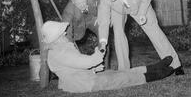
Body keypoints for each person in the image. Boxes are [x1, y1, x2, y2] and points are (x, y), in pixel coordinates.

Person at [42, 21, 174, 93]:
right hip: (85, 84)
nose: (65, 32)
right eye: (62, 31)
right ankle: (158, 74)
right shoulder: (60, 52)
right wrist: (98, 54)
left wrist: (93, 69)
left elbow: (73, 68)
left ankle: (154, 67)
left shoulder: (59, 49)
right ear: (57, 37)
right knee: (122, 79)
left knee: (120, 73)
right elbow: (85, 62)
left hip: (86, 78)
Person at [97, 0, 184, 74]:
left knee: (155, 33)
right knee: (118, 34)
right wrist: (103, 41)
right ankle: (124, 71)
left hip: (140, 6)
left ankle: (175, 65)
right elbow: (103, 20)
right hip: (118, 9)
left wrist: (142, 13)